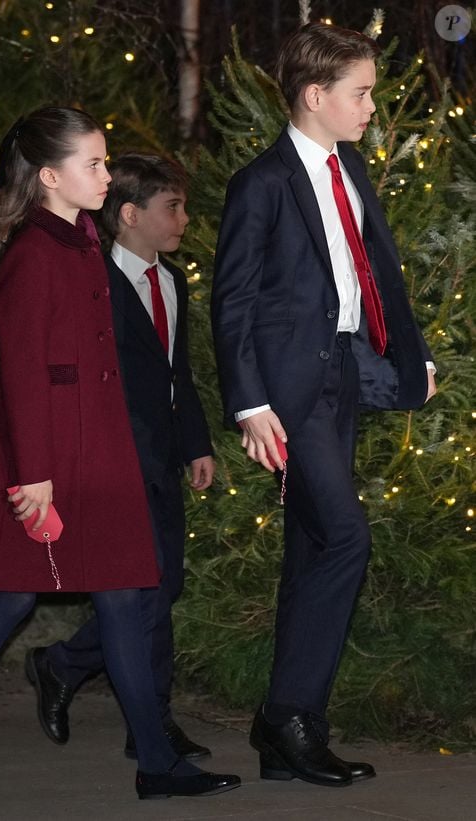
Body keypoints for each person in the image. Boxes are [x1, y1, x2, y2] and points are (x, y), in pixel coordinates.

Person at [0, 108, 240, 801]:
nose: (107, 174)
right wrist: (34, 479)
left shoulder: (83, 236)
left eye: (106, 160)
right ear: (50, 176)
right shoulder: (33, 250)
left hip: (95, 450)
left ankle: (155, 761)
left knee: (123, 595)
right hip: (42, 462)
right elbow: (24, 375)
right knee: (8, 602)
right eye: (94, 164)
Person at [211, 23, 436, 789]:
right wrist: (249, 404)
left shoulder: (351, 172)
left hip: (341, 375)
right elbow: (232, 301)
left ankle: (287, 733)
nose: (372, 105)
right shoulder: (264, 182)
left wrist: (408, 362)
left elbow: (372, 282)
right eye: (361, 92)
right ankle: (290, 717)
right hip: (289, 395)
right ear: (317, 95)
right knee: (346, 538)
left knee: (313, 548)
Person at [26, 153, 215, 762]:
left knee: (165, 582)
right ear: (129, 214)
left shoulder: (173, 282)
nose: (184, 218)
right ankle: (150, 723)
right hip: (111, 456)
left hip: (161, 455)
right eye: (173, 207)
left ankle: (62, 663)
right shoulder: (95, 282)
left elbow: (174, 373)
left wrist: (196, 444)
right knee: (142, 586)